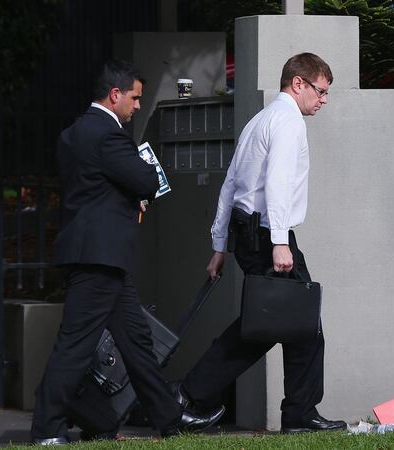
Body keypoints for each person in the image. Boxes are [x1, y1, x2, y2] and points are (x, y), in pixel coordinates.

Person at [31, 60, 224, 445]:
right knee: (75, 345)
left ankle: (169, 419)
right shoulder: (109, 135)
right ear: (115, 94)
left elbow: (94, 188)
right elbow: (146, 179)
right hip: (99, 259)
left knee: (137, 341)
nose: (138, 106)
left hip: (95, 255)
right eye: (134, 98)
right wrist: (139, 188)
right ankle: (47, 430)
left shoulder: (72, 133)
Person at [173, 52, 346, 433]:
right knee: (298, 325)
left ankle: (192, 396)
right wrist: (281, 242)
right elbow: (277, 183)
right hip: (269, 235)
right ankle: (193, 395)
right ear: (298, 83)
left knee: (271, 326)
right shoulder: (287, 121)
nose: (323, 100)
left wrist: (219, 244)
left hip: (252, 233)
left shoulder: (260, 120)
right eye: (320, 91)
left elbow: (230, 184)